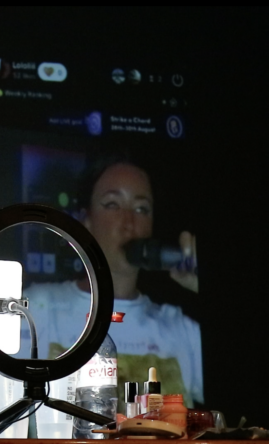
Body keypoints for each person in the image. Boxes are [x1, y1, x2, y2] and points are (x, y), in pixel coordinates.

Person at [21, 151, 203, 411]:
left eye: (142, 209)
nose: (129, 222)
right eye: (112, 205)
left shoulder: (179, 329)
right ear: (86, 220)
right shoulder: (39, 308)